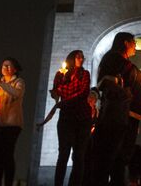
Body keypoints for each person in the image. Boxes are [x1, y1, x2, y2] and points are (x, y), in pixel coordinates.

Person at [87, 32, 141, 186]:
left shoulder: (123, 62)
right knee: (109, 158)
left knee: (119, 160)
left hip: (126, 116)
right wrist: (122, 90)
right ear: (126, 43)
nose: (136, 46)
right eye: (134, 42)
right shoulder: (113, 59)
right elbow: (106, 82)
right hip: (116, 114)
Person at [53, 50, 92, 186]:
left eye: (82, 57)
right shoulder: (60, 74)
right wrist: (61, 86)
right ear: (71, 59)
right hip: (66, 119)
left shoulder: (85, 74)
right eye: (77, 56)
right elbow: (55, 92)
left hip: (82, 118)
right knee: (63, 154)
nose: (81, 59)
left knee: (79, 156)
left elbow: (84, 92)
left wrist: (65, 99)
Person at [0, 57, 25, 186]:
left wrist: (1, 84)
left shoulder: (18, 82)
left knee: (8, 155)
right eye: (4, 65)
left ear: (14, 69)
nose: (5, 68)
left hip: (11, 124)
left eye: (9, 66)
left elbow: (16, 94)